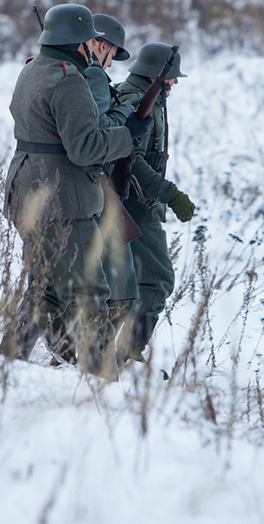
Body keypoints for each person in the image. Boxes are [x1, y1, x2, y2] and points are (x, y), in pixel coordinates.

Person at [0, 4, 149, 378]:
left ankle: (7, 358)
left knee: (44, 284)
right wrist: (126, 137)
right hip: (64, 197)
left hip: (25, 187)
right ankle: (101, 377)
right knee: (88, 292)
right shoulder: (69, 79)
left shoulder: (32, 68)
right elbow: (85, 147)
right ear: (80, 43)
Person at [114, 42, 196, 361]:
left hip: (133, 203)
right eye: (171, 77)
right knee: (157, 279)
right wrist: (170, 194)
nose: (174, 83)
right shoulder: (135, 100)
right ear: (154, 77)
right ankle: (126, 354)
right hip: (133, 206)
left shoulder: (143, 96)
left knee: (123, 281)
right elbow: (130, 159)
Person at [84, 14, 139, 347]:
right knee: (118, 284)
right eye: (112, 51)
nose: (111, 61)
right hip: (92, 181)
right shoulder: (92, 75)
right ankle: (92, 357)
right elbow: (103, 126)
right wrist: (126, 117)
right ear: (101, 45)